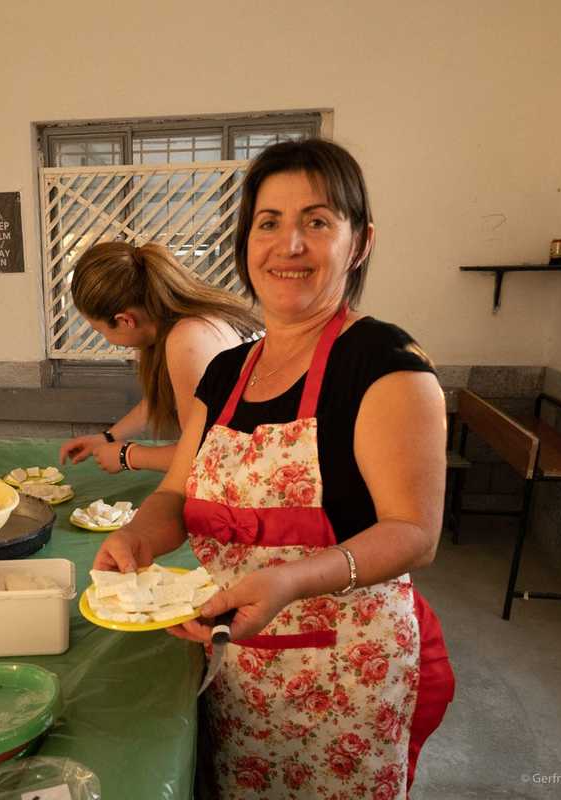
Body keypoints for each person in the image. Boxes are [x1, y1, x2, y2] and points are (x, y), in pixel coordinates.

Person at [93, 139, 454, 798]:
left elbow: (413, 531)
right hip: (237, 668)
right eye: (269, 222)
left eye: (317, 221)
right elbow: (175, 491)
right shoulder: (229, 373)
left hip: (349, 679)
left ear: (360, 242)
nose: (289, 244)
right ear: (245, 241)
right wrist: (139, 536)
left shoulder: (384, 364)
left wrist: (289, 582)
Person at [57, 240, 260, 473]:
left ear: (125, 320)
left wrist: (127, 455)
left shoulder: (188, 339)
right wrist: (108, 437)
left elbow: (203, 454)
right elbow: (163, 397)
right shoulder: (169, 327)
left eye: (99, 330)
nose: (105, 338)